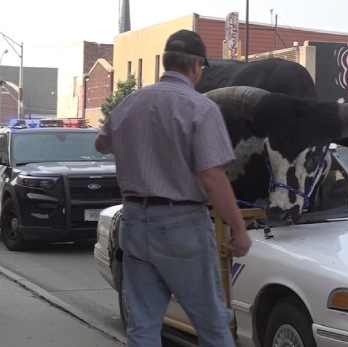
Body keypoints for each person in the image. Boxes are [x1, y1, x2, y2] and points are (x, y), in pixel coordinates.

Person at [94, 30, 253, 346]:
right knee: (213, 324)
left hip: (135, 223)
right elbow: (212, 177)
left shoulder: (129, 103)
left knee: (142, 325)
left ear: (166, 63)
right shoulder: (201, 108)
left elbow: (101, 144)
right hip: (181, 226)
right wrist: (239, 229)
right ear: (196, 66)